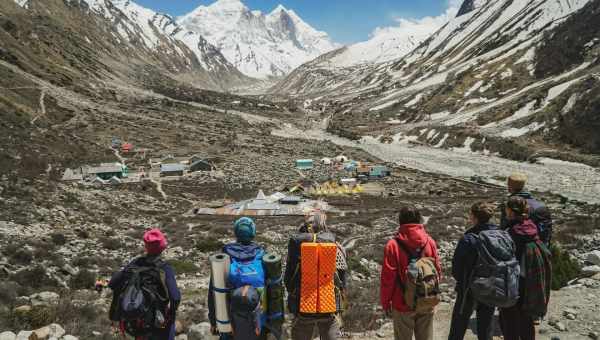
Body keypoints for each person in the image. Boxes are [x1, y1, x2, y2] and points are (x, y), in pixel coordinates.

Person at [380, 205, 442, 340]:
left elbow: (387, 279)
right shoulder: (429, 241)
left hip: (402, 303)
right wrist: (432, 292)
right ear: (419, 220)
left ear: (400, 221)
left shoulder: (393, 245)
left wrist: (385, 303)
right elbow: (437, 271)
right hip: (426, 299)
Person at [284, 211, 347, 340]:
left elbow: (288, 279)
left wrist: (293, 294)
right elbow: (341, 277)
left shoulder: (296, 242)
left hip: (303, 304)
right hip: (328, 304)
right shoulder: (333, 241)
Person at [109, 229, 181, 340]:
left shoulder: (135, 264)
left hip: (133, 323)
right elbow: (175, 297)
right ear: (162, 247)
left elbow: (113, 283)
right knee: (169, 321)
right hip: (156, 325)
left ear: (146, 246)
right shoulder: (165, 268)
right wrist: (171, 312)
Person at [499, 197, 552, 340]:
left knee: (508, 317)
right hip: (530, 278)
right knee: (526, 317)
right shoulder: (531, 226)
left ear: (510, 211)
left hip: (514, 280)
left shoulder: (512, 232)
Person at [208, 217, 267, 340]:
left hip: (230, 324)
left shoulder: (224, 257)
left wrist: (214, 322)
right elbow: (271, 287)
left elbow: (213, 292)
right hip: (258, 323)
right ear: (253, 233)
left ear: (236, 233)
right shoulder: (261, 254)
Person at [448, 203, 497, 340]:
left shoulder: (468, 238)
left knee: (458, 326)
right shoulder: (499, 235)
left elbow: (456, 267)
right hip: (492, 285)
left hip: (469, 288)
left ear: (474, 217)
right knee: (486, 327)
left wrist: (462, 281)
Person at [500, 173, 553, 244]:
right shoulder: (541, 205)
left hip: (520, 248)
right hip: (541, 247)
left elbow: (503, 229)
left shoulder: (510, 204)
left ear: (509, 187)